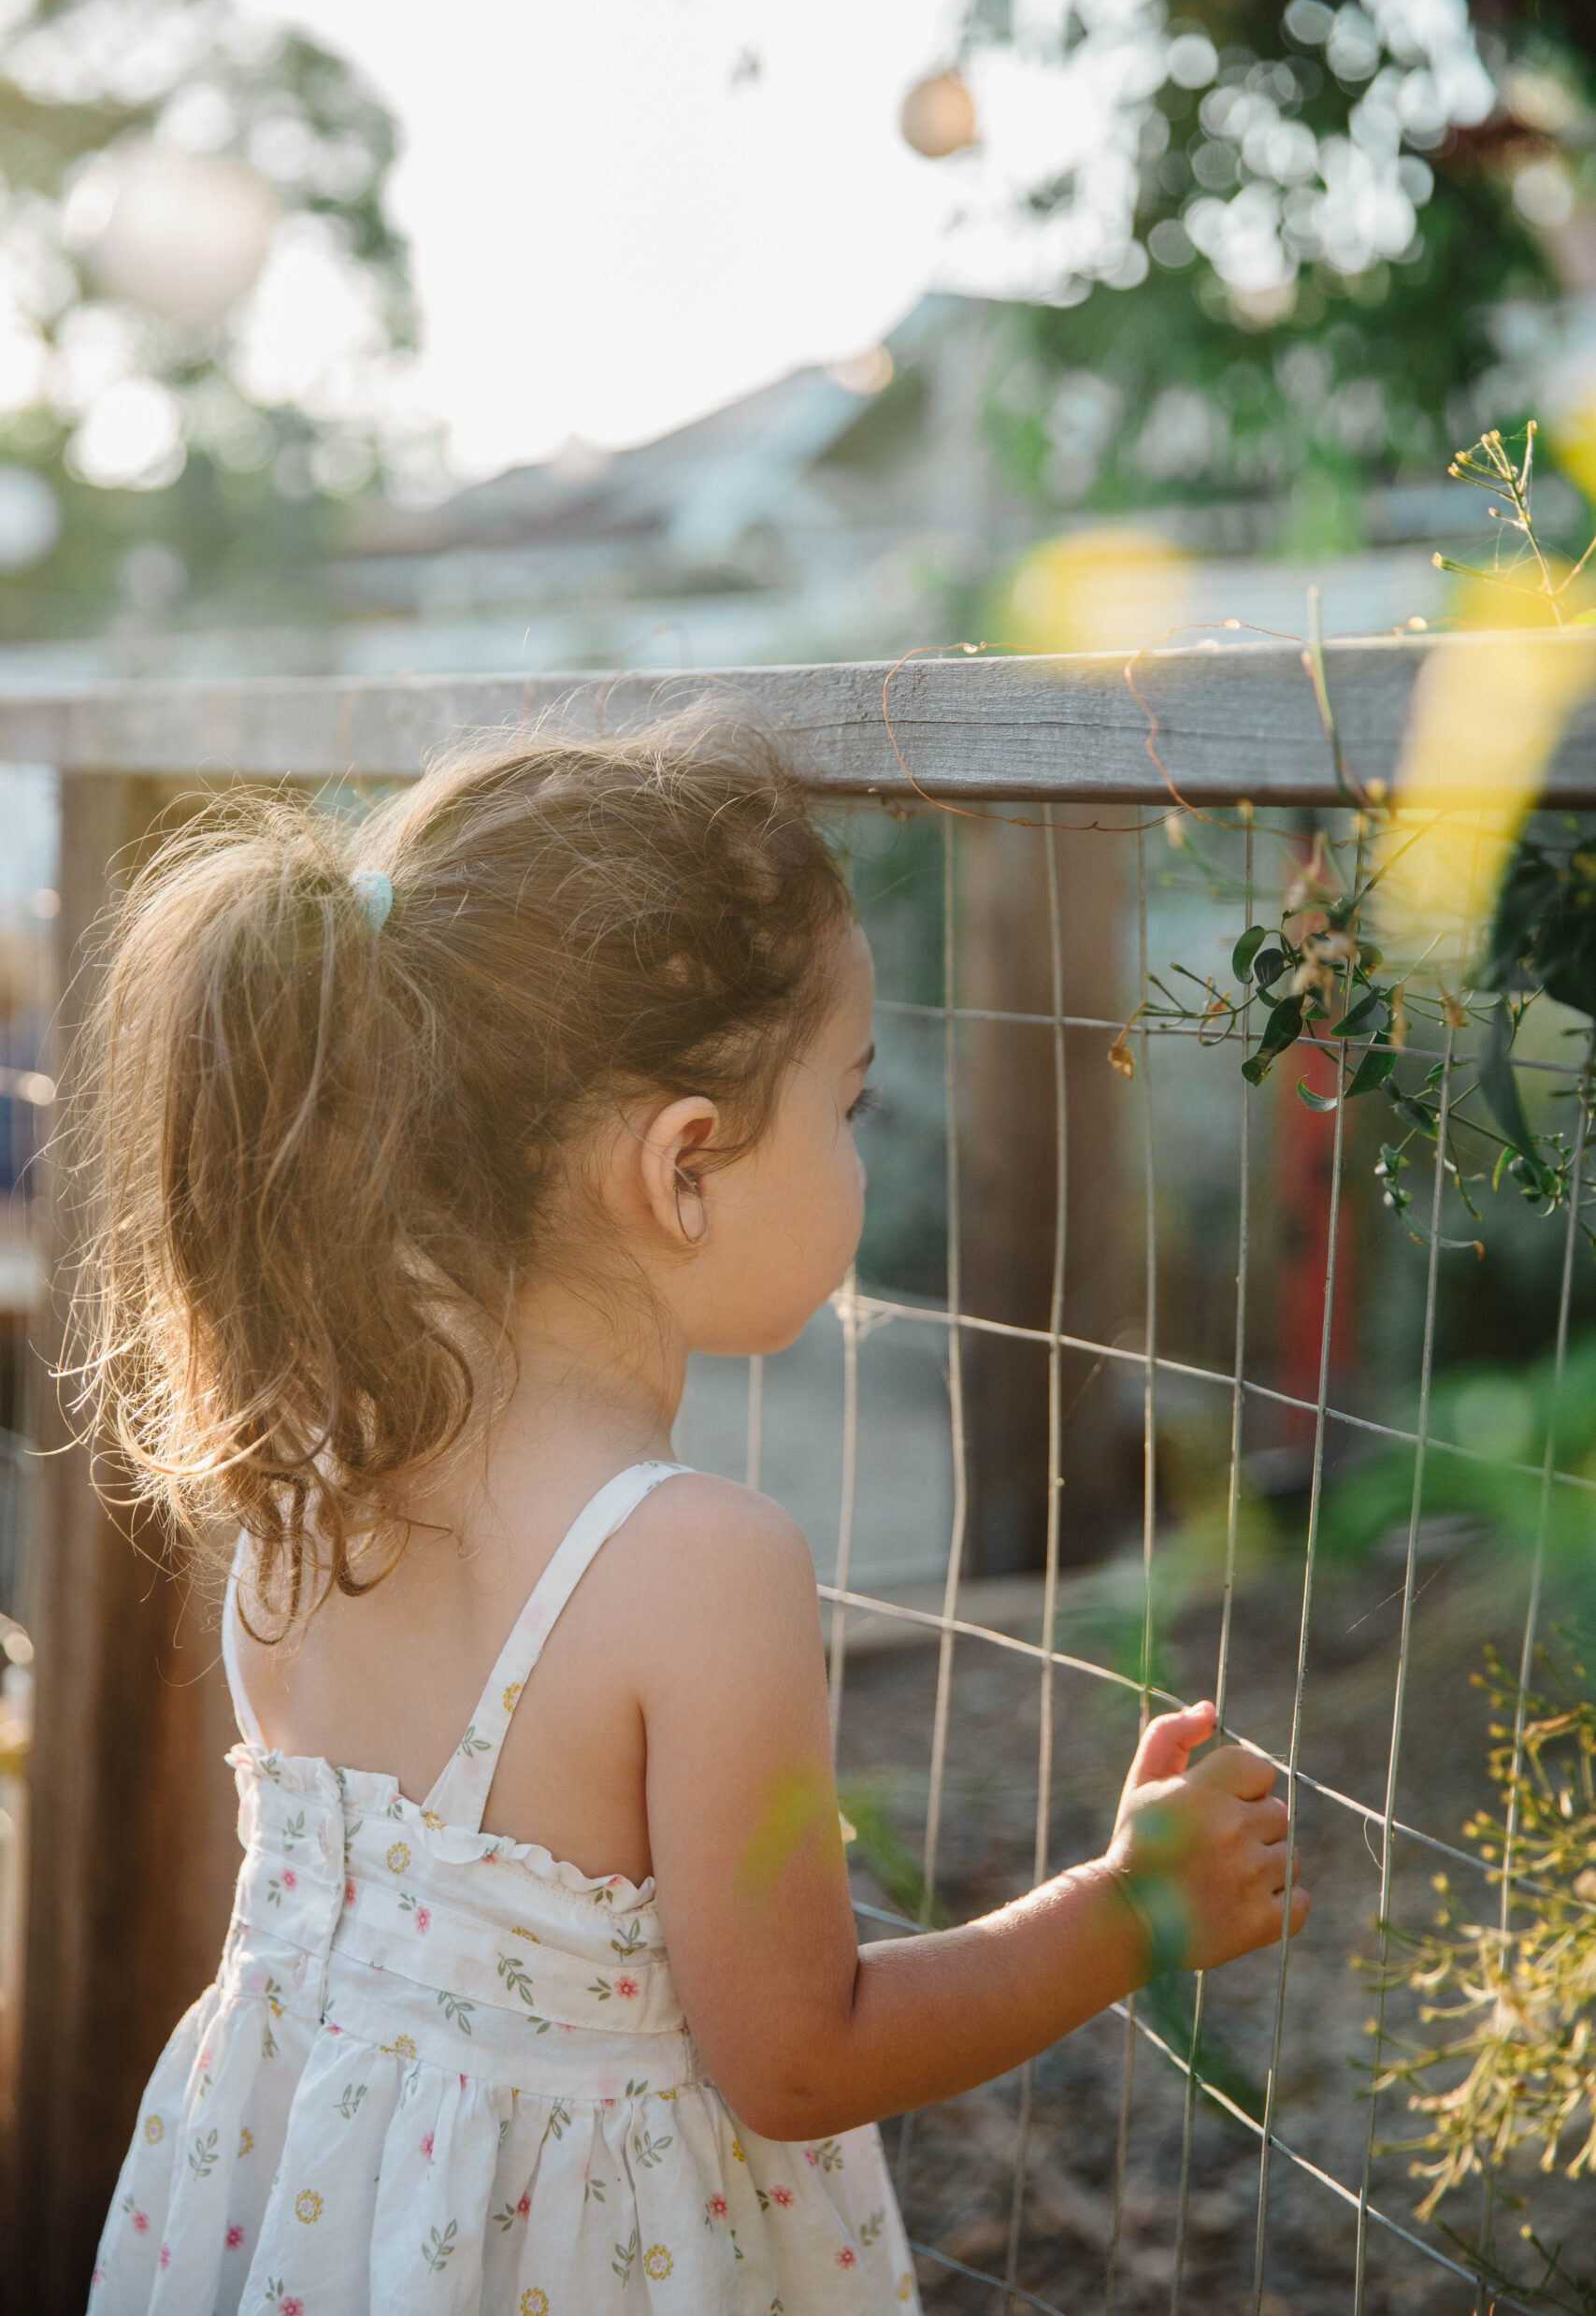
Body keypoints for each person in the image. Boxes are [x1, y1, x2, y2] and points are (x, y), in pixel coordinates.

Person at [81, 721, 1305, 2315]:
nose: (865, 1157)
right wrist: (1127, 1909)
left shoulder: (308, 1469)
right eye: (848, 1103)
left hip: (287, 2221)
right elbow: (799, 2056)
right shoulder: (696, 1566)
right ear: (685, 1167)